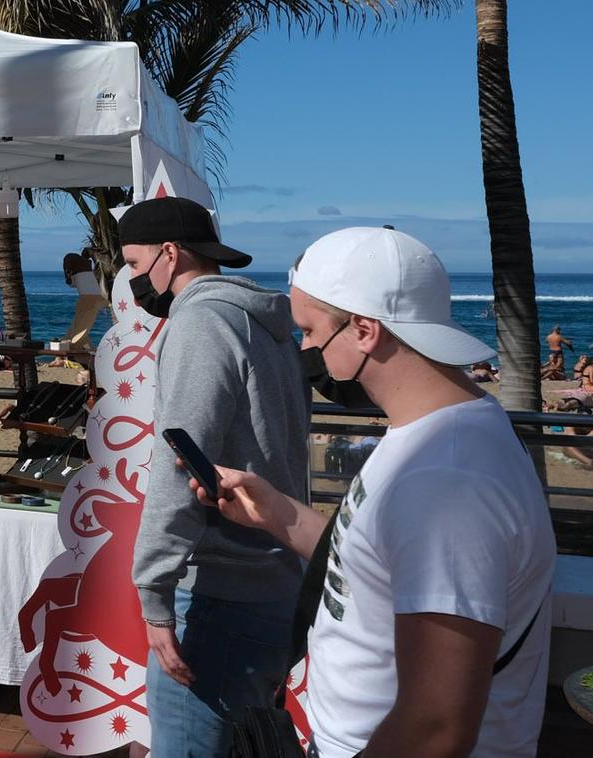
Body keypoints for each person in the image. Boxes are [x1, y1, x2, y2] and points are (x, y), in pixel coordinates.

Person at [189, 227, 554, 758]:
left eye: (310, 331)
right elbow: (377, 572)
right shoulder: (431, 434)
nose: (306, 350)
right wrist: (278, 515)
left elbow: (436, 725)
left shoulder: (448, 481)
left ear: (364, 330)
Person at [117, 196, 308, 757]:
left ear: (168, 255)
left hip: (223, 590)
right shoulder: (266, 326)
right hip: (274, 578)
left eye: (132, 263)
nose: (131, 279)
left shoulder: (200, 321)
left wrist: (153, 593)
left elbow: (180, 461)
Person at [61, 251, 106, 351]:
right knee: (82, 327)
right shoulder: (89, 271)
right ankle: (79, 346)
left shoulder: (77, 273)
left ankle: (72, 346)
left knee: (79, 326)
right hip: (95, 298)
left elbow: (71, 284)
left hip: (86, 298)